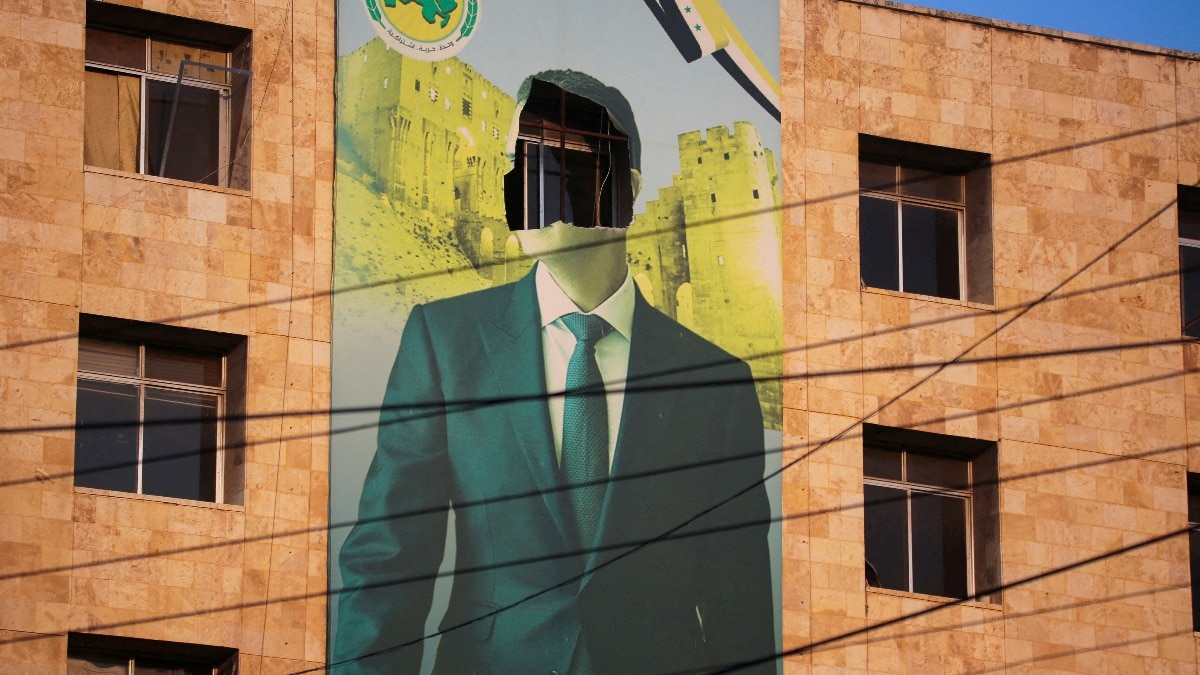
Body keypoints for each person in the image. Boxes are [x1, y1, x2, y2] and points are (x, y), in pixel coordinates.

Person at [335, 70, 774, 674]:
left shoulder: (716, 385)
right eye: (520, 161)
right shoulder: (445, 343)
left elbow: (740, 610)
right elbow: (387, 565)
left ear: (628, 186)